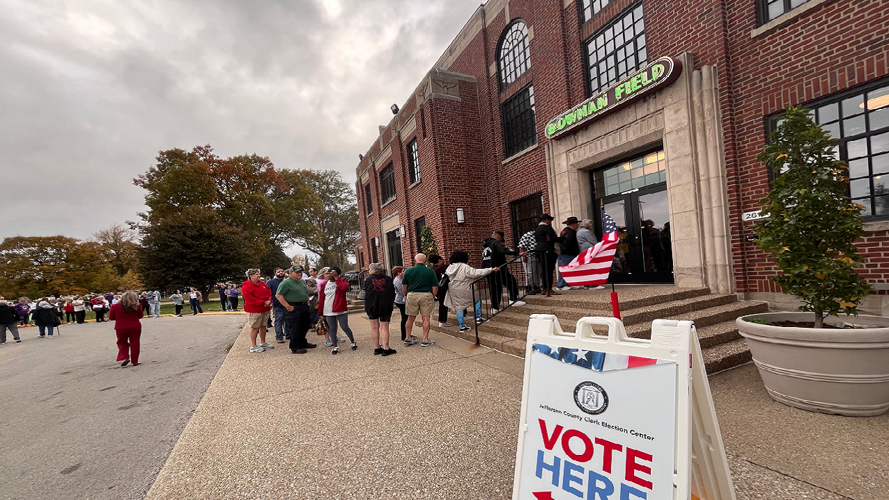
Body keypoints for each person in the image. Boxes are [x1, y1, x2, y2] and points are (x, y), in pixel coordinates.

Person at [444, 251, 498, 332]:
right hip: (466, 287)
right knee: (477, 300)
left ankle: (462, 326)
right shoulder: (464, 266)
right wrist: (490, 269)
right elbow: (475, 273)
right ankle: (478, 317)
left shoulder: (450, 267)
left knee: (459, 307)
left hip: (453, 289)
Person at [275, 265, 318, 354]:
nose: (300, 273)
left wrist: (306, 301)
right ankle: (295, 346)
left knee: (304, 326)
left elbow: (305, 292)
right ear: (290, 273)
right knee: (295, 327)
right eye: (297, 272)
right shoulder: (286, 283)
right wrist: (287, 306)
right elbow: (278, 295)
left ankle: (302, 342)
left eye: (301, 272)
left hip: (303, 306)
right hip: (293, 307)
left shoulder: (301, 281)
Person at [482, 231, 525, 312]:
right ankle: (513, 299)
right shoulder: (495, 243)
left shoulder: (486, 246)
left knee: (494, 288)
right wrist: (516, 253)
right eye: (501, 238)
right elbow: (503, 250)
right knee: (511, 282)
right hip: (499, 269)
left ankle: (494, 308)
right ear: (498, 237)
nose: (501, 240)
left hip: (488, 270)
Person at [402, 253, 438, 347]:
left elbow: (404, 285)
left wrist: (406, 295)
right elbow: (435, 287)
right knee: (426, 318)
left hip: (412, 294)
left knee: (410, 317)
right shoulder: (430, 271)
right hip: (426, 294)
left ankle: (408, 337)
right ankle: (425, 339)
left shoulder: (408, 271)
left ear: (415, 260)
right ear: (425, 260)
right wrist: (432, 296)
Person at [318, 266, 356, 354]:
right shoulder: (324, 284)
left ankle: (352, 341)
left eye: (331, 272)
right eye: (328, 273)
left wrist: (336, 278)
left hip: (340, 308)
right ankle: (335, 345)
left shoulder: (342, 281)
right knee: (332, 328)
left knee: (344, 326)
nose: (329, 275)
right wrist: (320, 310)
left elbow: (343, 288)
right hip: (328, 309)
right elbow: (322, 298)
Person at [364, 262, 397, 356]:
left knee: (374, 327)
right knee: (384, 327)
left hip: (371, 305)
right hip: (385, 305)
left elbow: (365, 291)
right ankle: (386, 348)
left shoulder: (368, 280)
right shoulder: (388, 279)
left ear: (372, 270)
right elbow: (392, 292)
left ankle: (377, 348)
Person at [242, 268, 275, 353]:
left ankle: (262, 342)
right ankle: (253, 346)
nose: (259, 276)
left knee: (263, 326)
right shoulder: (246, 286)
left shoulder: (263, 284)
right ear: (251, 276)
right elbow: (249, 298)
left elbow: (269, 293)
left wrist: (269, 300)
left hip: (265, 309)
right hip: (254, 310)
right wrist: (262, 302)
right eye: (257, 274)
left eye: (259, 274)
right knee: (255, 327)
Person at [109, 291, 143, 367]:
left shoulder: (115, 306)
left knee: (121, 342)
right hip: (135, 326)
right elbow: (140, 316)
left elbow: (111, 317)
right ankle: (135, 361)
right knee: (135, 343)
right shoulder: (137, 306)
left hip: (121, 327)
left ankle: (125, 356)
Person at [534, 214, 560, 297]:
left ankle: (545, 288)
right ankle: (549, 288)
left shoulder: (537, 228)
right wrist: (562, 238)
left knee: (544, 270)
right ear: (546, 220)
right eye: (549, 220)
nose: (550, 222)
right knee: (549, 270)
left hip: (539, 250)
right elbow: (552, 238)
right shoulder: (547, 227)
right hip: (547, 250)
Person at [576, 218, 604, 290]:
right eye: (591, 225)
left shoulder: (579, 231)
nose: (592, 226)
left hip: (584, 251)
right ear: (588, 225)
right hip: (589, 251)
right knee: (592, 267)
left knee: (587, 268)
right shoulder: (586, 232)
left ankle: (587, 284)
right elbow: (593, 241)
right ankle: (593, 284)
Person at [557, 217, 581, 291]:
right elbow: (568, 244)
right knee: (564, 269)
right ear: (573, 224)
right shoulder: (569, 232)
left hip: (567, 254)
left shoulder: (565, 231)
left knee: (569, 270)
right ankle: (561, 285)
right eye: (576, 223)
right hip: (567, 254)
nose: (577, 225)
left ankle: (568, 283)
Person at [429, 254, 453, 328]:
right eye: (442, 260)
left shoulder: (432, 269)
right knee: (443, 304)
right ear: (439, 260)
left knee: (441, 304)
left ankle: (442, 320)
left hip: (436, 288)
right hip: (443, 287)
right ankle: (442, 321)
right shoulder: (443, 267)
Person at [266, 268, 288, 343]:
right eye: (278, 272)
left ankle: (288, 334)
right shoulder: (271, 282)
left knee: (288, 320)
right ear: (275, 273)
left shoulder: (287, 281)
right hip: (277, 304)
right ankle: (279, 336)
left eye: (282, 271)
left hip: (288, 304)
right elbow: (266, 292)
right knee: (278, 320)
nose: (281, 273)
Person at [518, 227, 541, 295]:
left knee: (538, 272)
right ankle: (529, 287)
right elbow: (521, 246)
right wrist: (524, 256)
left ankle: (536, 286)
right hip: (529, 255)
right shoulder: (528, 235)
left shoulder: (541, 235)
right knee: (530, 272)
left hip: (538, 256)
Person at [391, 266, 410, 343]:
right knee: (404, 318)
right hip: (401, 301)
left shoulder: (400, 280)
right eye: (403, 271)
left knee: (406, 317)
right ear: (398, 273)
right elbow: (403, 292)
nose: (404, 272)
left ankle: (406, 334)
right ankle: (404, 335)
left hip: (401, 300)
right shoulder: (398, 281)